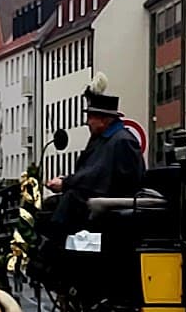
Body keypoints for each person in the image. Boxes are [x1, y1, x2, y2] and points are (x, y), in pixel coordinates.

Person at [44, 79, 146, 241]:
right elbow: (91, 172)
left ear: (104, 119)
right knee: (50, 205)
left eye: (91, 117)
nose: (87, 122)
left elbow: (98, 174)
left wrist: (67, 183)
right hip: (98, 194)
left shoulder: (122, 141)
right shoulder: (104, 139)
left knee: (71, 200)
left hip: (113, 200)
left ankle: (53, 248)